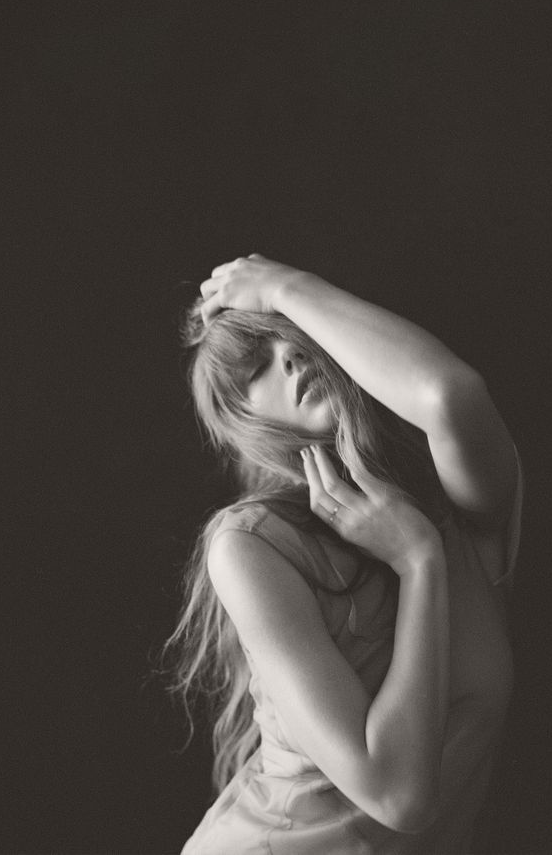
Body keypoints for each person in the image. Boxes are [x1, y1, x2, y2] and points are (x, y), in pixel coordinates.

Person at [165, 254, 523, 854]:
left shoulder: (459, 509)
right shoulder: (253, 545)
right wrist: (418, 563)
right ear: (245, 418)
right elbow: (397, 794)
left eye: (296, 336)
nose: (290, 358)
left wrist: (284, 287)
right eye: (257, 366)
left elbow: (449, 394)